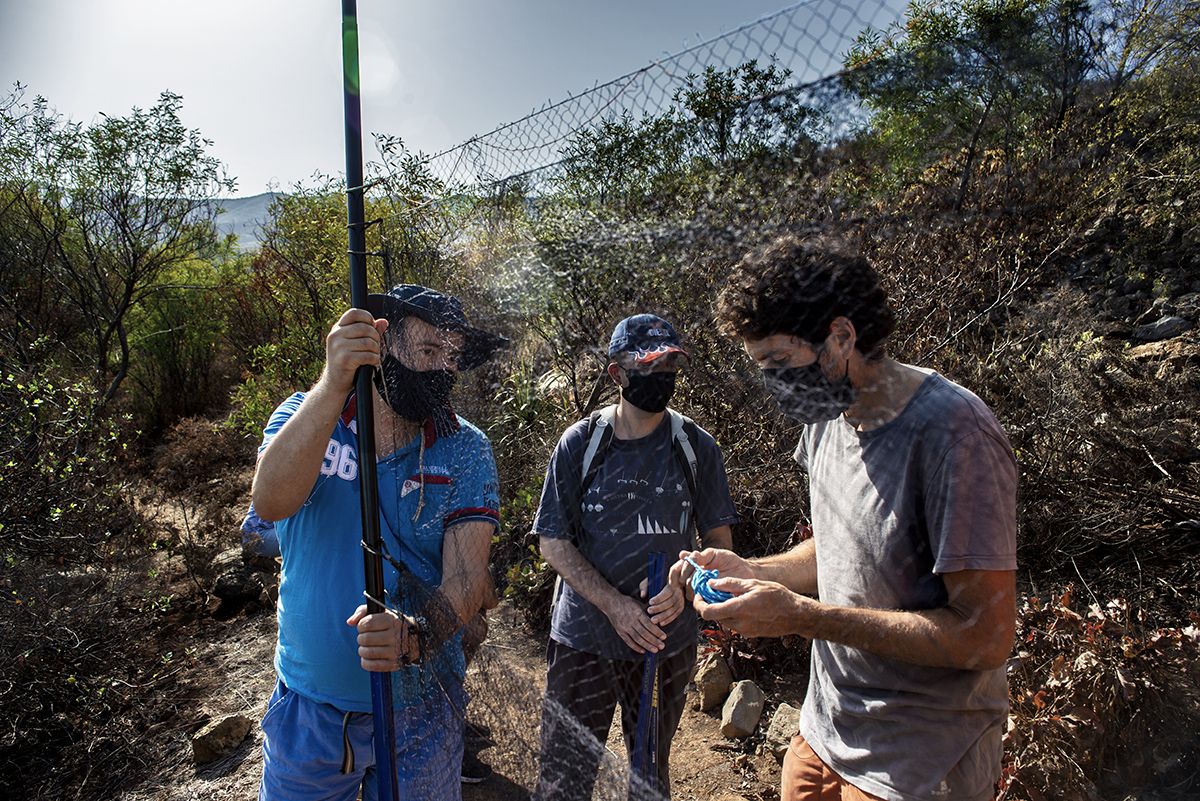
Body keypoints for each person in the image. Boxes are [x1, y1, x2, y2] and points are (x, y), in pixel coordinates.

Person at [687, 236, 1018, 801]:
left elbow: (984, 637)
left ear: (841, 337)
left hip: (918, 761)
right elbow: (840, 546)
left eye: (779, 363)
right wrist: (755, 571)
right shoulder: (825, 417)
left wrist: (801, 617)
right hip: (823, 736)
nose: (772, 385)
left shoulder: (954, 435)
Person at [251, 284, 505, 801]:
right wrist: (331, 384)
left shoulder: (465, 448)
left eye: (452, 358)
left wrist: (417, 633)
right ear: (383, 344)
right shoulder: (309, 415)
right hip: (313, 712)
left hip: (423, 710)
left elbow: (466, 576)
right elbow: (270, 502)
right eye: (428, 351)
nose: (441, 370)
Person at [533, 314, 739, 800]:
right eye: (647, 364)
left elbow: (722, 549)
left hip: (665, 645)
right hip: (585, 640)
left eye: (670, 363)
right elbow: (553, 541)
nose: (661, 375)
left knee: (648, 775)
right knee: (564, 778)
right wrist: (615, 605)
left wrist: (687, 584)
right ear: (616, 373)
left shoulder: (696, 448)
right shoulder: (582, 444)